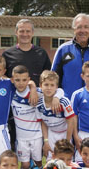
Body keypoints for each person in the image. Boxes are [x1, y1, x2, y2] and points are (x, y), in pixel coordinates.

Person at [3, 18, 52, 149]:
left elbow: (47, 78)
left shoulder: (41, 53)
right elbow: (2, 76)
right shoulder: (8, 54)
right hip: (16, 107)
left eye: (27, 31)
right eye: (21, 31)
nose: (25, 34)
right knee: (16, 141)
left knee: (35, 142)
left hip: (35, 104)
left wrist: (35, 90)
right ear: (16, 32)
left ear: (32, 33)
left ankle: (33, 164)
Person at [36, 70, 77, 160]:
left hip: (65, 133)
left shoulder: (63, 101)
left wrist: (67, 140)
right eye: (46, 85)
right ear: (40, 86)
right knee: (51, 160)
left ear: (56, 87)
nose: (49, 88)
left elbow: (71, 121)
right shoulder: (39, 104)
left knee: (66, 160)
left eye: (52, 85)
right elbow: (43, 122)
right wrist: (46, 141)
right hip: (51, 133)